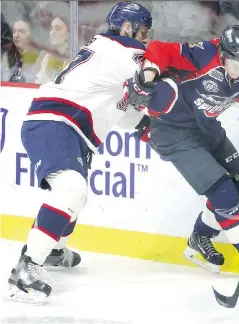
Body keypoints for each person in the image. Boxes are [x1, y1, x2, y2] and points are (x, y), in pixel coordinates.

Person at [5, 1, 152, 304]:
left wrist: (148, 128)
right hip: (55, 122)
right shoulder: (123, 50)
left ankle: (54, 249)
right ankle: (25, 269)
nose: (146, 38)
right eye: (143, 30)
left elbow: (118, 107)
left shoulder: (108, 53)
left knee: (78, 193)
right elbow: (157, 78)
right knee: (71, 188)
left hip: (70, 128)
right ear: (127, 28)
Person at [124, 25, 239, 278]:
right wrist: (148, 75)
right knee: (222, 191)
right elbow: (161, 49)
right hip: (172, 131)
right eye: (234, 63)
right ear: (222, 53)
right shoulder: (204, 53)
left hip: (207, 127)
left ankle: (200, 239)